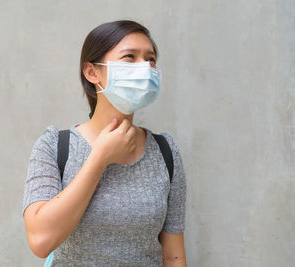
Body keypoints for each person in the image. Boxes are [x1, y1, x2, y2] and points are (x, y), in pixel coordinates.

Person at [22, 20, 187, 266]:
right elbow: (41, 241)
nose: (144, 68)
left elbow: (173, 255)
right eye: (129, 57)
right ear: (92, 72)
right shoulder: (55, 145)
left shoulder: (164, 151)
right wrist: (100, 157)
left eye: (150, 59)